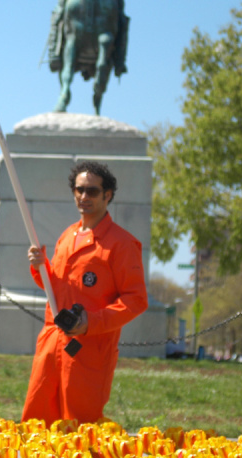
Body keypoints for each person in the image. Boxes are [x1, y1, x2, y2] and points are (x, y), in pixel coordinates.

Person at [23, 160, 147, 425]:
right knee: (38, 420)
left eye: (92, 191)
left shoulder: (122, 244)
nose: (83, 196)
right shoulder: (67, 235)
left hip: (89, 350)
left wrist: (91, 321)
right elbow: (59, 287)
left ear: (108, 195)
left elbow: (136, 300)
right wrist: (40, 267)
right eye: (79, 190)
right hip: (52, 343)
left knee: (81, 429)